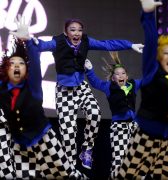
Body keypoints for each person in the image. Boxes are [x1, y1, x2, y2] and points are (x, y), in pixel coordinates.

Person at [10, 15, 144, 170]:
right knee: (68, 135)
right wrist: (27, 39)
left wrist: (130, 45)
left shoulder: (86, 41)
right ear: (66, 32)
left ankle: (87, 149)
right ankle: (71, 168)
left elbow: (107, 44)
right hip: (64, 93)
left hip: (82, 87)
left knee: (95, 113)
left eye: (80, 30)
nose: (77, 33)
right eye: (73, 30)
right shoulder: (57, 42)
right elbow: (41, 45)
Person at [0, 38, 87, 179]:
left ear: (26, 70)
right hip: (20, 144)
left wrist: (29, 42)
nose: (16, 66)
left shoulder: (33, 87)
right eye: (12, 63)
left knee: (67, 175)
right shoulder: (2, 90)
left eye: (21, 63)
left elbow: (35, 63)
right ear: (6, 68)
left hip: (43, 139)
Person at [114, 0, 168, 179]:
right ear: (160, 58)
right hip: (146, 134)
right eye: (167, 53)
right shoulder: (152, 71)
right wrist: (148, 15)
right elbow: (151, 43)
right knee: (126, 176)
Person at [84, 51, 141, 179]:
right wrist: (89, 70)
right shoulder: (108, 87)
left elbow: (147, 79)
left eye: (123, 73)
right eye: (117, 74)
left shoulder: (133, 85)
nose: (120, 75)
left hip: (134, 126)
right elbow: (95, 82)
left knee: (136, 159)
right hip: (118, 128)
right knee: (119, 160)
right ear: (113, 78)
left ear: (126, 76)